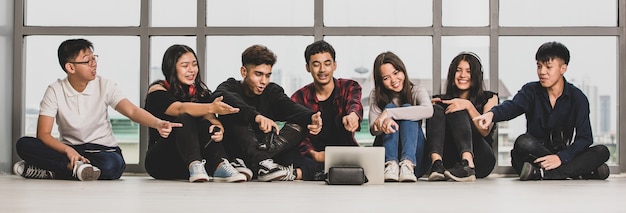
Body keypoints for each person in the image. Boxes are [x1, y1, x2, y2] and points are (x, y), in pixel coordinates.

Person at [13, 38, 180, 181]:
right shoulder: (55, 90)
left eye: (94, 59)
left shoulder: (104, 85)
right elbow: (43, 134)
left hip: (103, 150)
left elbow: (132, 111)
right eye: (87, 61)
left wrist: (157, 123)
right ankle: (76, 169)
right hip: (70, 150)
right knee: (24, 144)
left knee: (112, 166)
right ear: (70, 67)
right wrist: (68, 151)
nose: (94, 64)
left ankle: (54, 171)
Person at [474, 41, 610, 181]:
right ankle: (579, 171)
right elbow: (513, 106)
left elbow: (585, 138)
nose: (542, 72)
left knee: (602, 151)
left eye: (548, 67)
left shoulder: (578, 98)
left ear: (563, 68)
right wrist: (492, 114)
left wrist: (560, 158)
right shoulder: (530, 90)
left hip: (562, 155)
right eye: (539, 66)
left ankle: (543, 174)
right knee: (523, 142)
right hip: (534, 154)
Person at [213, 44, 323, 181]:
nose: (263, 81)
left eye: (267, 75)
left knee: (300, 126)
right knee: (233, 113)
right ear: (244, 72)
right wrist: (256, 117)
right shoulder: (230, 87)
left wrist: (311, 117)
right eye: (258, 74)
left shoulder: (272, 92)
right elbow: (220, 95)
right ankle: (259, 163)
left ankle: (260, 162)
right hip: (237, 148)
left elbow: (291, 108)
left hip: (266, 149)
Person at [144, 44, 249, 183]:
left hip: (191, 164)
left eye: (194, 64)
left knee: (207, 124)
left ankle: (220, 165)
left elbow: (210, 118)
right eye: (185, 65)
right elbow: (180, 108)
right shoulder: (157, 91)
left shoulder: (198, 91)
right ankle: (195, 165)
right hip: (161, 162)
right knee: (184, 119)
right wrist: (211, 107)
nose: (191, 70)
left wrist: (218, 129)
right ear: (171, 67)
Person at [425, 52, 498, 182]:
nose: (462, 75)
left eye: (468, 71)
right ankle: (436, 165)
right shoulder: (441, 100)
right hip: (450, 162)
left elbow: (485, 130)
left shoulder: (490, 98)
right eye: (458, 71)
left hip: (480, 159)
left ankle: (468, 165)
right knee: (436, 108)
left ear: (476, 75)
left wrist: (468, 106)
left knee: (458, 108)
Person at [291, 40, 363, 169]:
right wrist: (315, 155)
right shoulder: (299, 97)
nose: (322, 70)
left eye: (327, 64)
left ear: (334, 65)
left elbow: (354, 104)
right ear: (308, 67)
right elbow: (297, 135)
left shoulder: (349, 86)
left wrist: (353, 116)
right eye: (316, 64)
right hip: (312, 157)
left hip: (345, 154)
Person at [369, 51, 433, 182]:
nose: (393, 80)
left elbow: (428, 110)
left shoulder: (417, 90)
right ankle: (391, 163)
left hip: (416, 160)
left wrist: (389, 114)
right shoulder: (376, 95)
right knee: (390, 108)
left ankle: (407, 164)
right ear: (380, 81)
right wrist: (383, 123)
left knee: (406, 109)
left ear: (403, 70)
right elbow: (373, 129)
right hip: (385, 162)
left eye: (396, 73)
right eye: (386, 78)